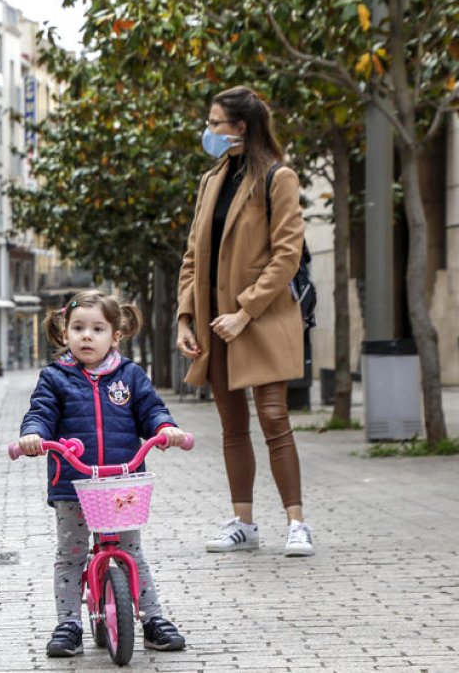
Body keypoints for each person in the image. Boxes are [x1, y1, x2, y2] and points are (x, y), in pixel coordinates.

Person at [176, 86, 314, 557]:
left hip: (261, 318)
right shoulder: (211, 179)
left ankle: (297, 522)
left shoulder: (279, 177)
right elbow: (194, 255)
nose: (208, 131)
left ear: (241, 129)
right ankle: (244, 522)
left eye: (215, 123)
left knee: (274, 417)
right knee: (232, 425)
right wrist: (185, 317)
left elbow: (286, 255)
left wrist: (245, 311)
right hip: (216, 324)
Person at [17, 290, 188, 657]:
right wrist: (33, 435)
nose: (87, 336)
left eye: (97, 329)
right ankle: (68, 624)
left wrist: (164, 428)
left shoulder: (130, 376)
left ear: (116, 336)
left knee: (130, 550)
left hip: (121, 482)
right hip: (73, 484)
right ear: (65, 334)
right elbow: (41, 412)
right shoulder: (55, 378)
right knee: (72, 554)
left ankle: (152, 618)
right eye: (78, 328)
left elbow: (151, 409)